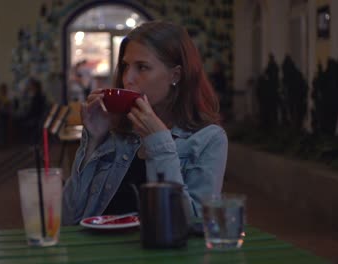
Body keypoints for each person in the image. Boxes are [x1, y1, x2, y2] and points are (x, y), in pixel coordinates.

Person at [62, 21, 228, 225]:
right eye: (125, 67)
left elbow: (197, 224)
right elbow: (68, 217)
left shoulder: (209, 139)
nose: (127, 79)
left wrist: (158, 142)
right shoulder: (116, 131)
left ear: (175, 75)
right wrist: (93, 141)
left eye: (142, 67)